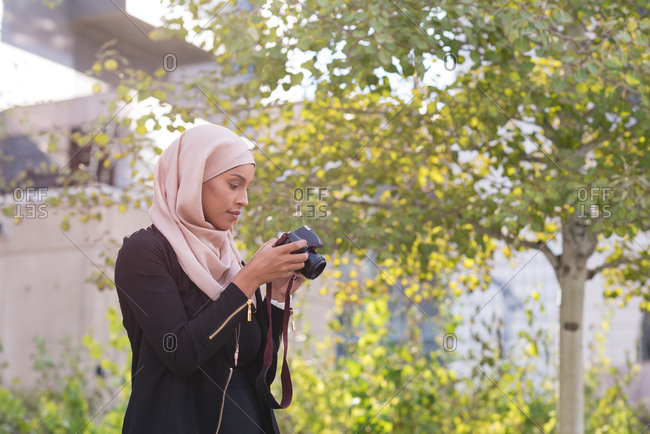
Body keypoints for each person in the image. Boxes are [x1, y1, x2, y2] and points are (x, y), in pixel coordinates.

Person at [114, 124, 308, 433]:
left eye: (247, 188)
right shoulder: (144, 251)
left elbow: (258, 371)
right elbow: (180, 353)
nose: (244, 200)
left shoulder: (231, 261)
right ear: (192, 180)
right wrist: (250, 279)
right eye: (234, 184)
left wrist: (276, 297)